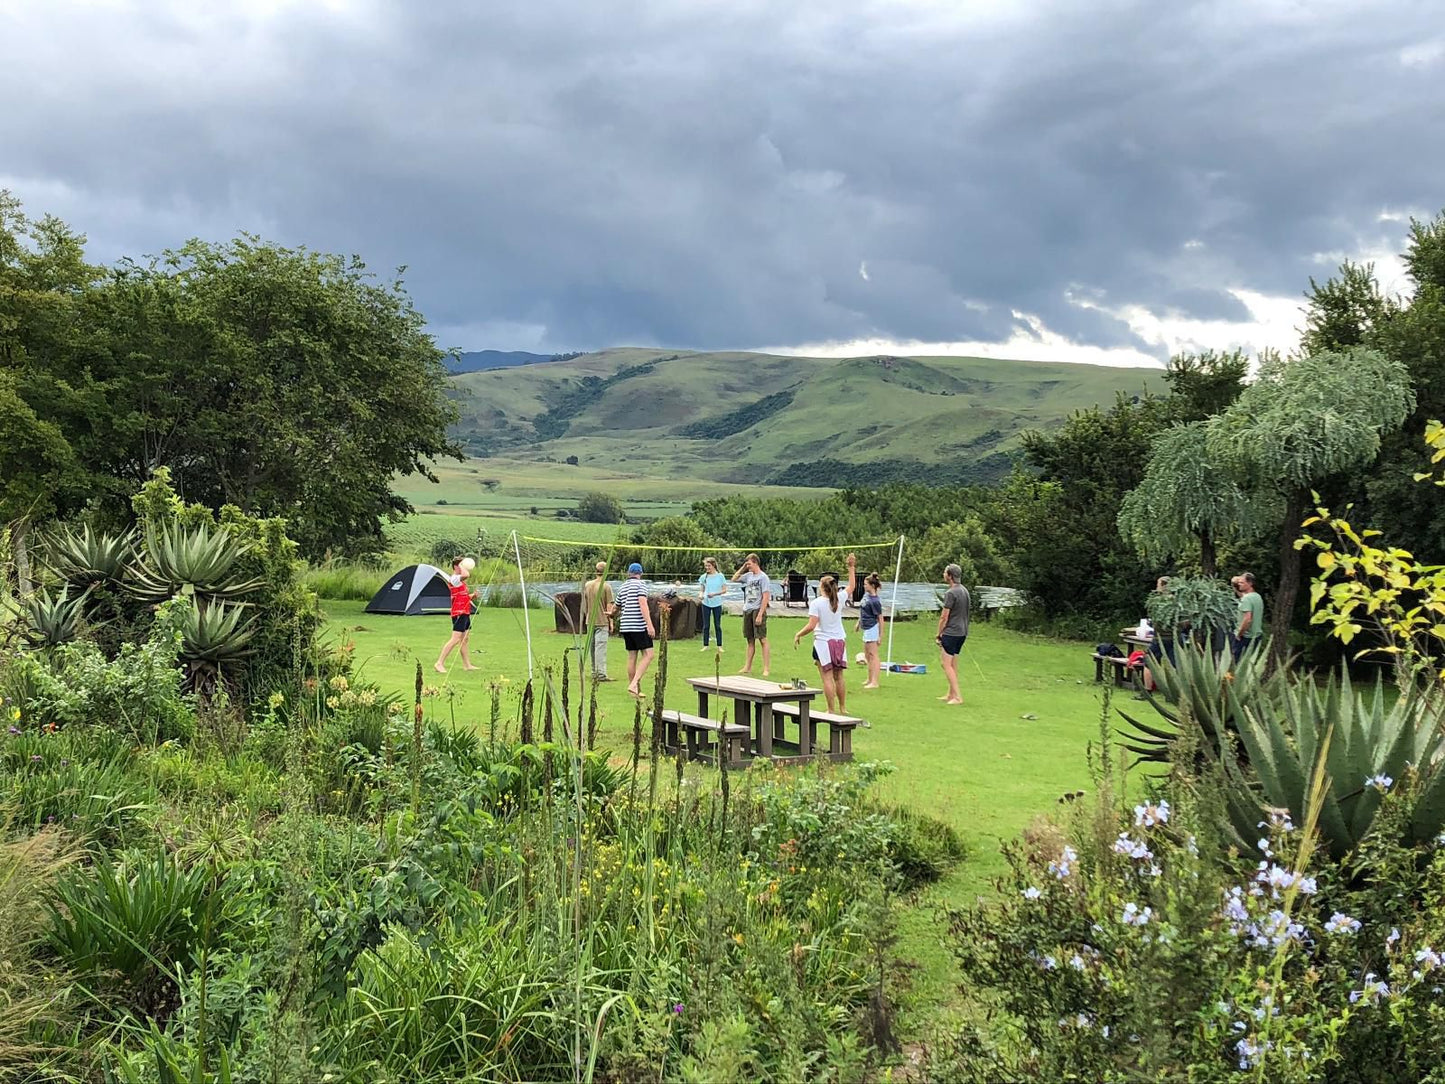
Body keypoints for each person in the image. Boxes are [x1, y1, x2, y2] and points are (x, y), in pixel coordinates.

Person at [792, 555, 857, 714]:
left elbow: (811, 625)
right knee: (839, 676)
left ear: (822, 587)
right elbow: (852, 586)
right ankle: (842, 707)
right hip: (840, 641)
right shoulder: (839, 598)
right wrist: (851, 567)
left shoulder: (817, 603)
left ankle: (831, 710)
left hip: (823, 643)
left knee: (827, 678)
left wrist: (798, 634)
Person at [614, 562, 657, 698]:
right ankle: (634, 683)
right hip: (638, 625)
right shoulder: (641, 585)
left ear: (628, 573)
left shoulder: (623, 587)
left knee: (632, 656)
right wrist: (649, 625)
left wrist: (610, 614)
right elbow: (642, 603)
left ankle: (635, 691)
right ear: (641, 574)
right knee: (649, 655)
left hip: (626, 626)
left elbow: (616, 607)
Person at [434, 557, 479, 673]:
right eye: (461, 565)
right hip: (458, 613)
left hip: (465, 612)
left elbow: (462, 596)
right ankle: (439, 663)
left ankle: (467, 665)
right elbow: (467, 575)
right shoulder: (454, 578)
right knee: (455, 639)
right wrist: (464, 567)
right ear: (455, 567)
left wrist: (472, 596)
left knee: (465, 639)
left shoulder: (460, 582)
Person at [935, 563, 970, 705]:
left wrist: (939, 634)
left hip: (951, 632)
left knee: (946, 664)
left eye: (945, 572)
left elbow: (944, 616)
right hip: (962, 632)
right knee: (953, 664)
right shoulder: (965, 591)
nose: (943, 574)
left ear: (950, 576)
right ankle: (951, 694)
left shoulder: (951, 593)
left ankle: (958, 696)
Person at [733, 552, 772, 676]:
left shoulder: (763, 577)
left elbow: (766, 596)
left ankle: (766, 668)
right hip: (747, 609)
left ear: (755, 562)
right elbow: (734, 579)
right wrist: (743, 568)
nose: (748, 566)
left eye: (749, 564)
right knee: (750, 640)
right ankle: (747, 667)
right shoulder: (748, 575)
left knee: (762, 639)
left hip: (757, 609)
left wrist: (760, 613)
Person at [580, 561, 614, 681]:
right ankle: (601, 674)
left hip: (590, 621)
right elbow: (609, 606)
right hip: (601, 621)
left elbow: (584, 604)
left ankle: (594, 671)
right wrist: (611, 622)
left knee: (592, 647)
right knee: (600, 648)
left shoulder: (588, 585)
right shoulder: (606, 586)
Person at [856, 572, 884, 688]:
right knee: (867, 655)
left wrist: (880, 636)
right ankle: (869, 678)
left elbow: (880, 619)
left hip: (872, 628)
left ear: (872, 586)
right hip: (866, 627)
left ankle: (875, 681)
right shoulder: (866, 596)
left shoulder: (875, 601)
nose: (864, 586)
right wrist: (858, 622)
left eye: (866, 584)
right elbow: (863, 611)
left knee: (873, 655)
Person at [1234, 571, 1264, 661]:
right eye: (1239, 583)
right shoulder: (1257, 596)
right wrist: (1234, 585)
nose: (1239, 585)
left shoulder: (1247, 599)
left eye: (1242, 583)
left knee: (1235, 664)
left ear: (1250, 583)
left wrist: (1239, 634)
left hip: (1246, 637)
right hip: (1256, 636)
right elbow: (1242, 596)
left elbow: (1247, 619)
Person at [698, 556, 726, 651]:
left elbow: (724, 590)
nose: (707, 568)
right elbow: (701, 590)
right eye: (706, 566)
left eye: (709, 566)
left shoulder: (720, 576)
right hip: (706, 603)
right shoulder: (703, 577)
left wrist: (714, 594)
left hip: (717, 603)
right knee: (706, 625)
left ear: (713, 565)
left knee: (717, 625)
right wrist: (701, 595)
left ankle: (719, 645)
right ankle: (705, 645)